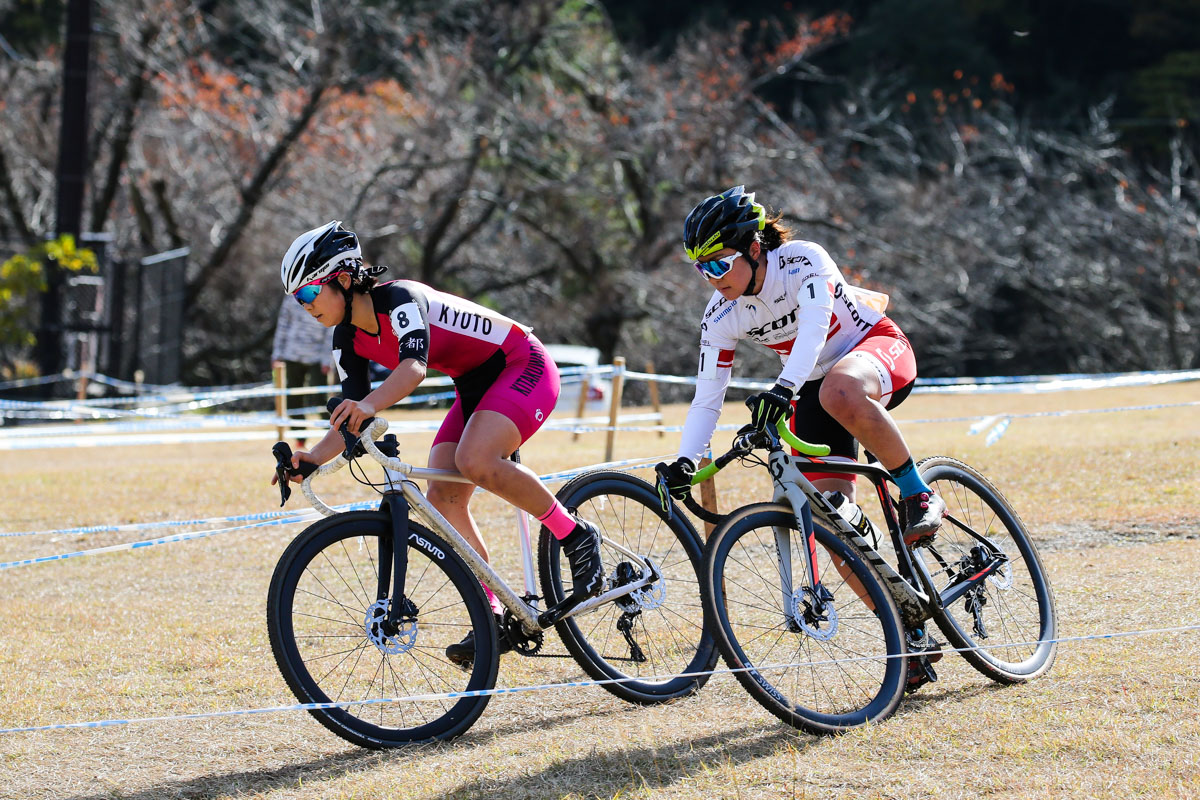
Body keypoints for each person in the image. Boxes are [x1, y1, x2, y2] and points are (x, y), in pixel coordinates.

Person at [273, 220, 603, 665]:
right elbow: (350, 411)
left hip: (522, 363)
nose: (305, 305)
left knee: (474, 459)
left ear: (345, 280)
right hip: (474, 383)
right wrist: (311, 457)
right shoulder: (344, 337)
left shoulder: (399, 298)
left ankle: (577, 535)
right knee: (442, 499)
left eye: (310, 292)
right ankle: (493, 610)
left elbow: (413, 369)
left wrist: (369, 406)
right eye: (298, 298)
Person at [656, 186, 946, 545]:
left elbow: (814, 331)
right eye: (703, 269)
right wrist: (685, 461)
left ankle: (918, 493)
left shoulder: (802, 260)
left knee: (838, 390)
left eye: (720, 264)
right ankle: (891, 594)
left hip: (872, 347)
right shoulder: (721, 315)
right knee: (832, 525)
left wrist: (781, 389)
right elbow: (707, 398)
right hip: (809, 386)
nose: (713, 278)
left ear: (754, 248)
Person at [271, 294, 334, 447]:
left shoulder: (323, 294)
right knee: (293, 399)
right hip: (292, 354)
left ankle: (334, 436)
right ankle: (300, 438)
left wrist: (327, 359)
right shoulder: (290, 298)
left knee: (321, 399)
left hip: (317, 358)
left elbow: (330, 329)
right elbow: (283, 325)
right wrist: (277, 353)